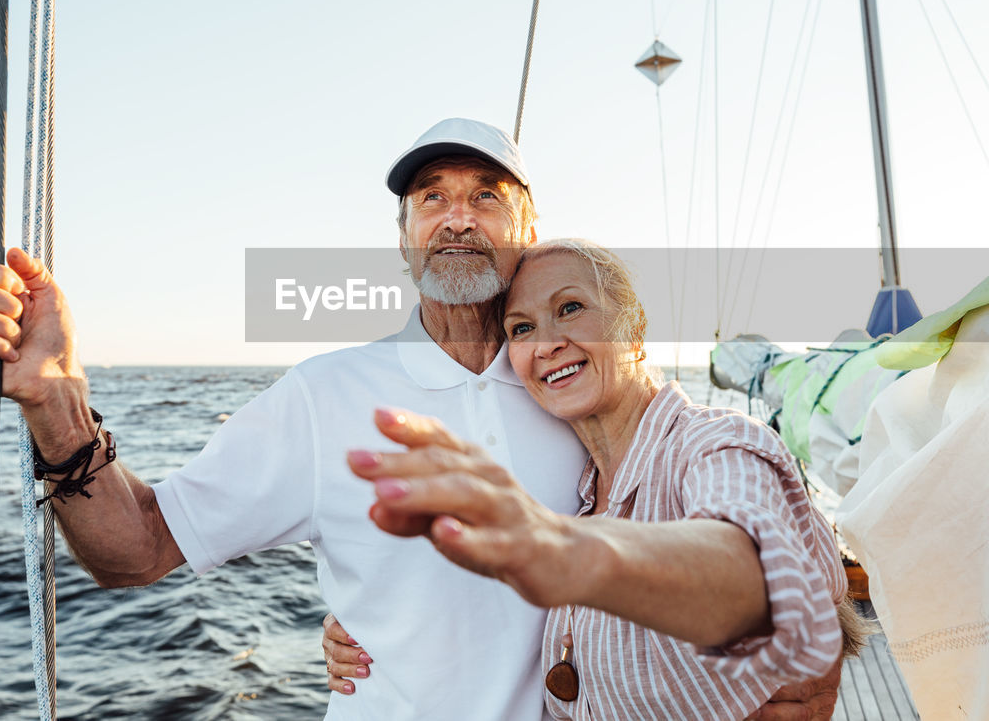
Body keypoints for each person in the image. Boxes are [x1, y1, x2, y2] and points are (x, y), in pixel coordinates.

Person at [0, 118, 843, 719]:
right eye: (431, 198)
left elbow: (738, 539)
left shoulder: (573, 392)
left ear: (526, 228)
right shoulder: (324, 396)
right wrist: (56, 399)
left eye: (485, 195)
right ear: (405, 238)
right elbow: (137, 547)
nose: (457, 217)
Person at [340, 239, 866, 719]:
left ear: (633, 326)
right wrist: (370, 624)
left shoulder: (717, 444)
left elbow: (749, 565)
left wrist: (565, 552)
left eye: (570, 308)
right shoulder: (577, 485)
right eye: (521, 328)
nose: (546, 343)